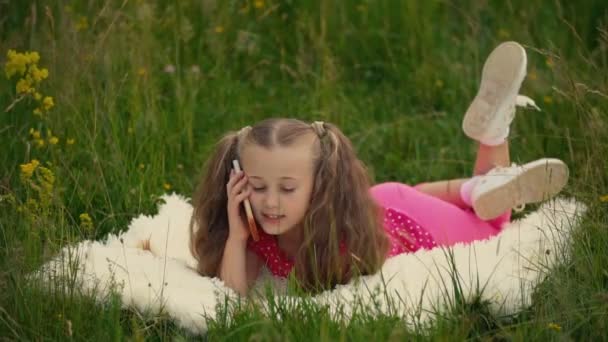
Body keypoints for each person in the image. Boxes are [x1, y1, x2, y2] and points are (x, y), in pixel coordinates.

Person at [189, 42, 569, 295]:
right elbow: (231, 298)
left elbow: (241, 296)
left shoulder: (333, 241)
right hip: (387, 198)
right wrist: (237, 234)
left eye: (287, 189)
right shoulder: (258, 234)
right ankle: (478, 181)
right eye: (257, 186)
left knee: (492, 224)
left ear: (320, 185)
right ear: (238, 180)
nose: (270, 202)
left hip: (409, 219)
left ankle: (493, 140)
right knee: (470, 198)